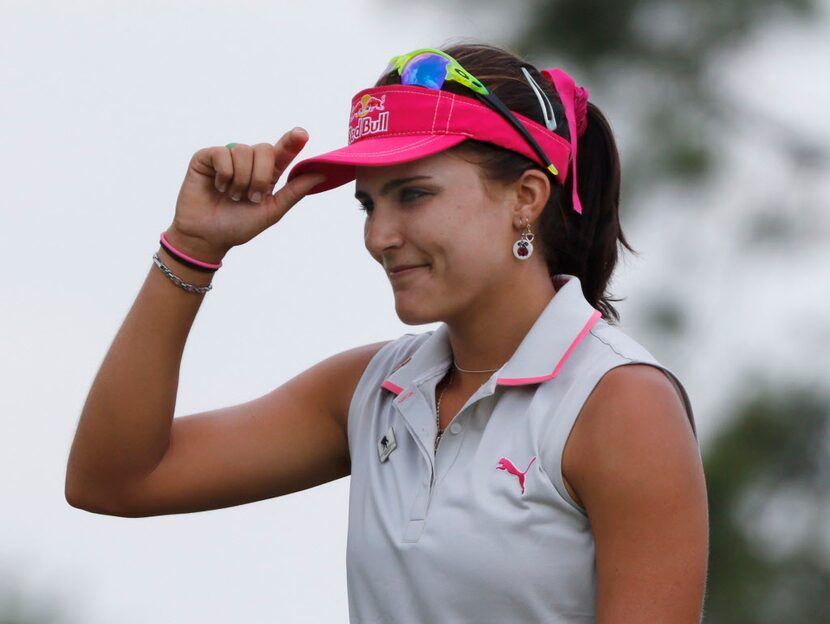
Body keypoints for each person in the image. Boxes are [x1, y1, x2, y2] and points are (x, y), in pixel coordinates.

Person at [65, 43, 709, 622]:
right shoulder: (373, 391)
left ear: (527, 196)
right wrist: (192, 249)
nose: (379, 237)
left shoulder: (618, 404)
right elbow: (114, 478)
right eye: (369, 204)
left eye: (413, 195)